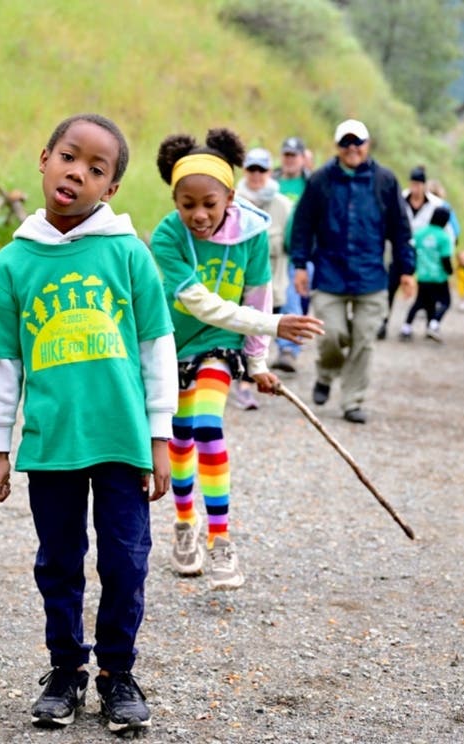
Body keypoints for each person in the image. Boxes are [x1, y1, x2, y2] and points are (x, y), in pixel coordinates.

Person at [0, 113, 179, 734]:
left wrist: (160, 436)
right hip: (52, 442)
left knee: (125, 560)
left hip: (123, 443)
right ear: (44, 159)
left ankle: (118, 674)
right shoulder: (13, 264)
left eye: (97, 169)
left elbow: (157, 348)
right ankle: (65, 671)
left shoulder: (128, 254)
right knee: (58, 561)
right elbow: (1, 361)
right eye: (70, 157)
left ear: (111, 190)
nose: (79, 172)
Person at [150, 127, 324, 590]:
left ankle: (221, 541)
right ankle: (186, 525)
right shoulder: (167, 237)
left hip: (220, 344)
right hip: (171, 344)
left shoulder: (252, 230)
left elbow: (258, 295)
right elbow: (198, 302)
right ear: (175, 201)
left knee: (207, 425)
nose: (199, 215)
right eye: (187, 204)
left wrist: (258, 363)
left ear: (230, 194)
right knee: (181, 438)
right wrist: (273, 326)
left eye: (210, 203)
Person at [290, 118, 415, 424]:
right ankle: (326, 372)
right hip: (330, 273)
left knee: (364, 339)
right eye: (346, 143)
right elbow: (303, 225)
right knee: (331, 334)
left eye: (357, 143)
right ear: (337, 147)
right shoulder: (320, 180)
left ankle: (352, 401)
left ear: (367, 145)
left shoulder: (384, 180)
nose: (352, 149)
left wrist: (407, 269)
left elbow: (400, 228)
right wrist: (299, 265)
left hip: (371, 276)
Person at [232, 146, 293, 410]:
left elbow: (292, 242)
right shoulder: (232, 200)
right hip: (238, 282)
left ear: (269, 172)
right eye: (252, 169)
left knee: (261, 331)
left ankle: (248, 379)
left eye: (261, 169)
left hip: (272, 283)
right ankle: (242, 385)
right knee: (240, 329)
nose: (256, 175)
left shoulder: (283, 205)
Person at [378, 164, 446, 340]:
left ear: (424, 185)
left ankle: (427, 325)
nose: (415, 188)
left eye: (419, 184)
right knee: (390, 288)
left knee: (426, 291)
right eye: (413, 183)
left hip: (425, 255)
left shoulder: (435, 205)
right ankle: (383, 322)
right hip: (399, 251)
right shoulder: (399, 200)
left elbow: (444, 229)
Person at [270, 135, 314, 373]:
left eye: (293, 155)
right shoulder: (271, 182)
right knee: (282, 299)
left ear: (302, 158)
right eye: (286, 155)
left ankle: (289, 347)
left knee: (296, 299)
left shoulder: (311, 184)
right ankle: (285, 349)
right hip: (275, 252)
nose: (289, 160)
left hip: (302, 251)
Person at [400, 206, 454, 342]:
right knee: (445, 302)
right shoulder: (443, 237)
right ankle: (434, 323)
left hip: (423, 275)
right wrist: (450, 271)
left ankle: (406, 327)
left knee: (421, 303)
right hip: (439, 277)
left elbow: (411, 250)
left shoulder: (420, 233)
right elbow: (445, 258)